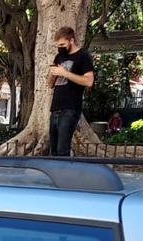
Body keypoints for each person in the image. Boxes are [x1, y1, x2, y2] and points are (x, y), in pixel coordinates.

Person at [46, 26, 94, 157]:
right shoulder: (59, 57)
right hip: (55, 107)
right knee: (54, 150)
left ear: (71, 40)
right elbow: (50, 84)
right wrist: (52, 74)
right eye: (58, 45)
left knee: (63, 149)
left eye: (62, 44)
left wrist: (65, 73)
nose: (60, 47)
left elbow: (89, 81)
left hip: (70, 108)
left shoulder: (83, 56)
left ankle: (64, 176)